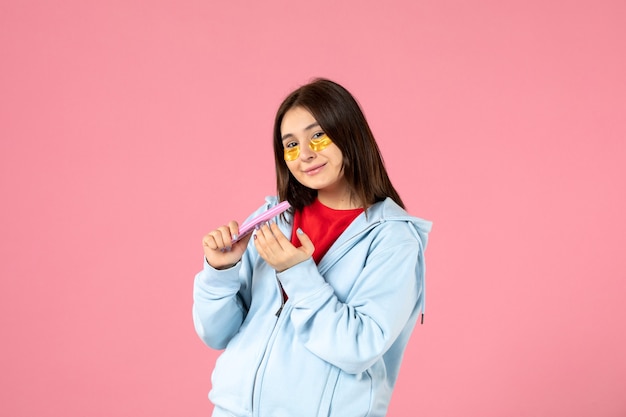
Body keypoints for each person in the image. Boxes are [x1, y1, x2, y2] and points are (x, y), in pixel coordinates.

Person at [193, 78, 432, 417]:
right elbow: (217, 334)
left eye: (317, 135)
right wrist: (220, 272)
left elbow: (359, 347)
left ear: (348, 133)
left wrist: (297, 274)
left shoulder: (393, 239)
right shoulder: (271, 219)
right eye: (290, 144)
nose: (304, 154)